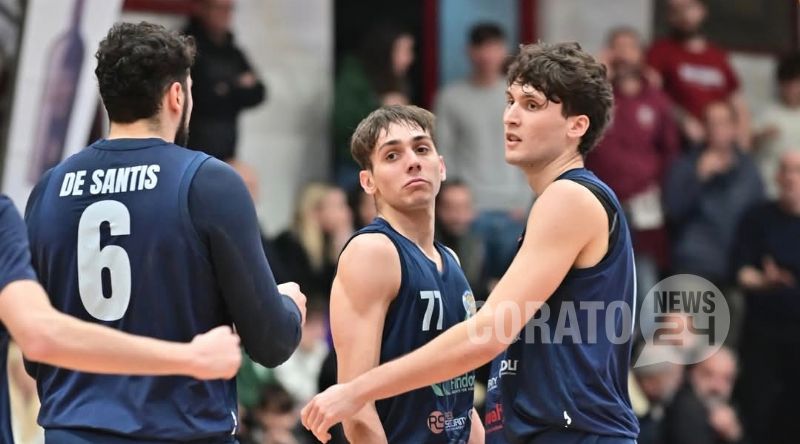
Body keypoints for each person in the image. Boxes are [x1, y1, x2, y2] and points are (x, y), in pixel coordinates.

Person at [302, 42, 639, 444]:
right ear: (368, 181)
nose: (511, 116)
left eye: (531, 105)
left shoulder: (567, 198)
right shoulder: (378, 250)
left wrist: (357, 390)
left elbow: (489, 333)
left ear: (576, 126)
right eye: (510, 101)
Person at [24, 22, 306, 443]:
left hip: (71, 431)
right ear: (177, 95)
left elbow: (34, 351)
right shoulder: (209, 182)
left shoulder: (48, 188)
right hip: (181, 431)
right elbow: (270, 342)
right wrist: (289, 307)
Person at [0, 194, 242, 444]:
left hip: (77, 419)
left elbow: (36, 350)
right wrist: (191, 357)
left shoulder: (44, 196)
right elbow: (39, 336)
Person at [326, 105, 483, 443]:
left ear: (441, 166)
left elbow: (461, 398)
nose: (413, 161)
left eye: (422, 149)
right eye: (392, 155)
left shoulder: (451, 259)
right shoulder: (372, 252)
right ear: (368, 181)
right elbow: (356, 404)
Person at [434, 23, 530, 278]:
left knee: (514, 290)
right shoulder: (451, 97)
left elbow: (531, 146)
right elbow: (444, 152)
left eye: (494, 47)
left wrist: (525, 198)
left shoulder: (517, 96)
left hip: (513, 208)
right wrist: (457, 204)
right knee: (470, 286)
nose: (487, 55)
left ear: (504, 50)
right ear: (469, 51)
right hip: (470, 211)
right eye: (481, 47)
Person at [733, 150, 800, 443]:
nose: (790, 177)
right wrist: (764, 281)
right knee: (758, 408)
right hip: (763, 331)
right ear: (776, 176)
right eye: (785, 170)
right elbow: (740, 271)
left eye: (797, 170)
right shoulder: (758, 217)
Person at [646, 0, 750, 148]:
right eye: (676, 10)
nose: (684, 15)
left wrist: (743, 142)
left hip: (720, 142)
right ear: (669, 17)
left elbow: (738, 104)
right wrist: (681, 118)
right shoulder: (659, 51)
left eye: (689, 7)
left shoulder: (718, 56)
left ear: (702, 11)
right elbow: (652, 93)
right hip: (680, 142)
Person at [185, 0, 266, 160]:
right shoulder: (187, 48)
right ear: (203, 9)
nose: (225, 15)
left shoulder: (233, 52)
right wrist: (237, 85)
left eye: (229, 9)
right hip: (192, 147)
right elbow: (202, 96)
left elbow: (259, 92)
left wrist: (226, 88)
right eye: (219, 9)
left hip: (226, 148)